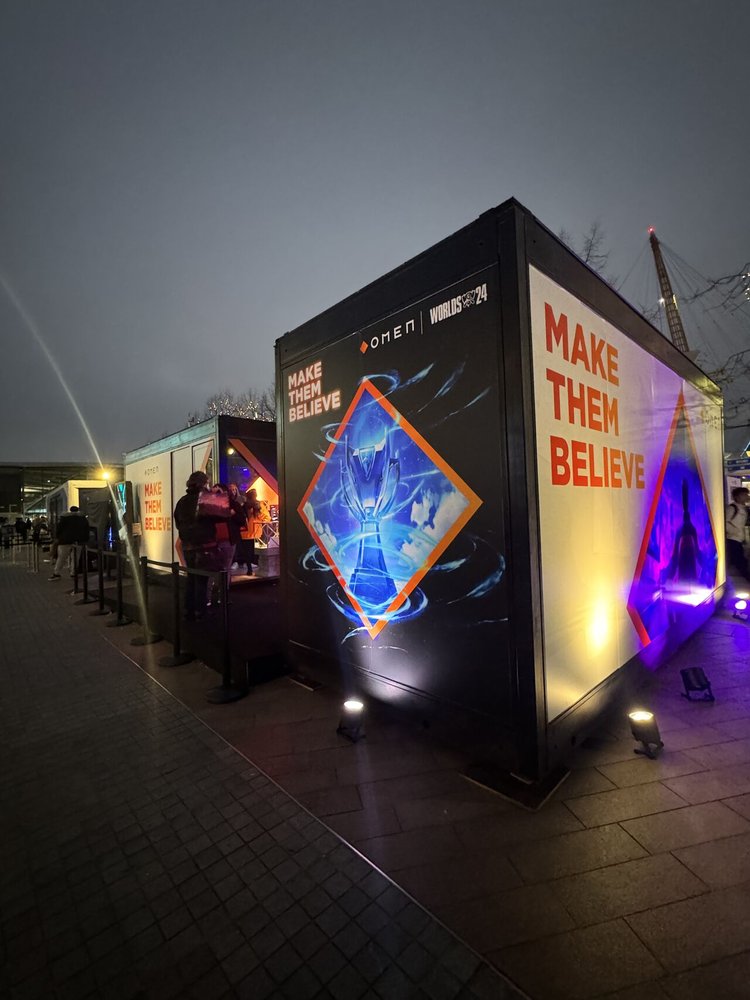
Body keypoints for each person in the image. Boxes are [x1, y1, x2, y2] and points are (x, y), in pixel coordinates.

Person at [173, 471, 218, 620]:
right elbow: (221, 515)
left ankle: (188, 610)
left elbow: (178, 523)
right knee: (202, 580)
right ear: (203, 484)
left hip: (187, 546)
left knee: (191, 579)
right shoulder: (205, 499)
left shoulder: (182, 501)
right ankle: (201, 611)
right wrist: (216, 495)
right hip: (204, 545)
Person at [48, 506, 89, 580]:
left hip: (65, 541)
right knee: (75, 558)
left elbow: (59, 529)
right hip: (78, 541)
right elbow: (86, 530)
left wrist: (58, 537)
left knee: (61, 557)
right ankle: (73, 573)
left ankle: (56, 573)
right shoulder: (83, 519)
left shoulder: (64, 518)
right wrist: (85, 539)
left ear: (70, 510)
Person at [726, 486, 750, 581]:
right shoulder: (732, 508)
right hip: (732, 539)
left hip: (739, 539)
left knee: (741, 560)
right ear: (737, 496)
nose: (747, 496)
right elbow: (725, 523)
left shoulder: (743, 509)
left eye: (747, 494)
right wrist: (734, 532)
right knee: (740, 561)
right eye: (744, 494)